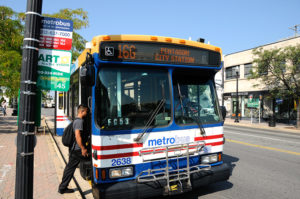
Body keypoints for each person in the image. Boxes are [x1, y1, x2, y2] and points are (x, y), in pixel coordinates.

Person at [58, 104, 89, 194]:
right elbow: (78, 136)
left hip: (73, 150)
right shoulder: (79, 122)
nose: (87, 113)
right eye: (86, 111)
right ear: (82, 111)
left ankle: (62, 188)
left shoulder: (76, 120)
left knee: (69, 168)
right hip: (77, 150)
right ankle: (62, 187)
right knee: (93, 159)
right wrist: (83, 148)